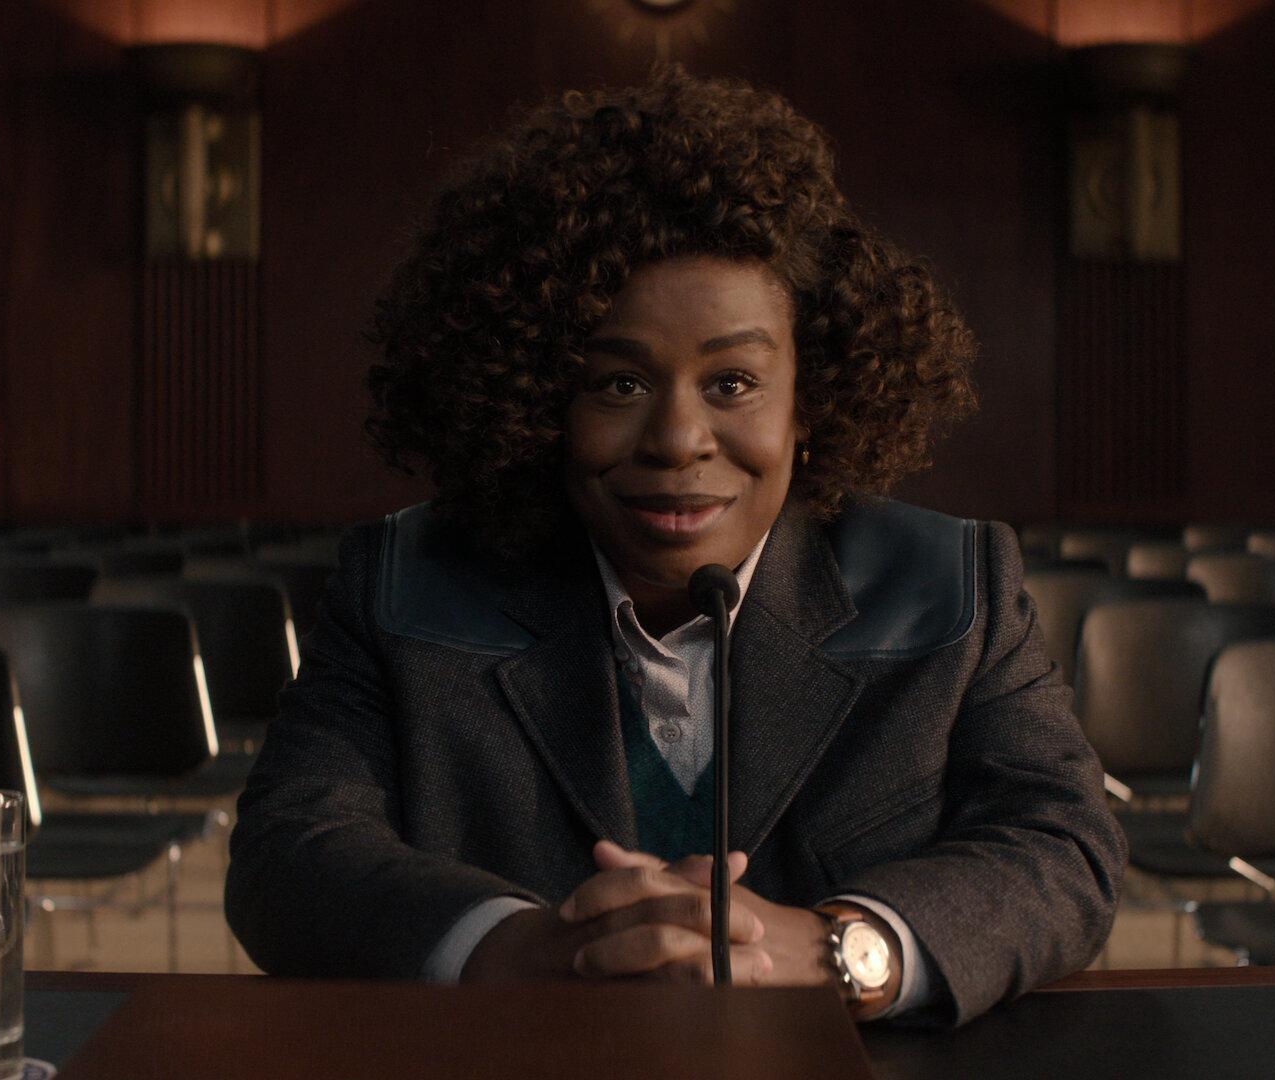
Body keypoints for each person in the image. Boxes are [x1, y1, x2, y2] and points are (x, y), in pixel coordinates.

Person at [226, 67, 1125, 1028]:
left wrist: (837, 952)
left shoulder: (954, 586)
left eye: (733, 382)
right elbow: (289, 853)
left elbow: (1063, 845)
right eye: (618, 385)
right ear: (535, 399)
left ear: (810, 399)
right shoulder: (404, 585)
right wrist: (509, 948)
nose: (677, 440)